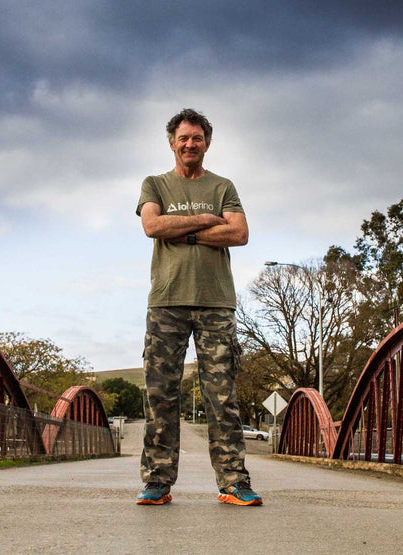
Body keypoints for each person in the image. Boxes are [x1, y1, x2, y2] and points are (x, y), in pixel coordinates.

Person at [134, 108, 262, 507]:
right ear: (172, 142)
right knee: (161, 395)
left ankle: (233, 482)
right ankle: (157, 482)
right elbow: (153, 227)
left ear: (207, 143)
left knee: (221, 397)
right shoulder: (154, 184)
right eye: (184, 137)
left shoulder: (223, 186)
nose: (191, 144)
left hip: (216, 303)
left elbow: (239, 233)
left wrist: (184, 231)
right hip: (167, 302)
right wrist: (208, 222)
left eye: (198, 138)